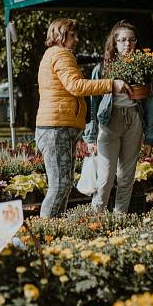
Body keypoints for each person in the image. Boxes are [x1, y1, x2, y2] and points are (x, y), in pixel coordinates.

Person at [35, 18, 122, 218]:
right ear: (60, 35)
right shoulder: (61, 55)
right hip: (56, 128)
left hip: (60, 126)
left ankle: (55, 231)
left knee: (63, 185)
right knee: (59, 185)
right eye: (72, 35)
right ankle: (44, 232)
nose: (77, 39)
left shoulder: (54, 54)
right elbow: (77, 86)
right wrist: (110, 84)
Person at [84, 20, 153, 213]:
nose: (128, 44)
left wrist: (150, 137)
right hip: (109, 121)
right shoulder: (102, 69)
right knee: (105, 178)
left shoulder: (142, 68)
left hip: (134, 120)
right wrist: (90, 136)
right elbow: (92, 105)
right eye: (123, 40)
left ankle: (119, 220)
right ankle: (95, 219)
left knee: (126, 177)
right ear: (114, 43)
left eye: (132, 40)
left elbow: (150, 104)